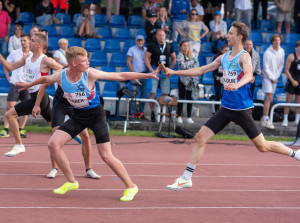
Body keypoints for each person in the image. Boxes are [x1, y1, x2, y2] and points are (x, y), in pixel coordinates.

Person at [158, 21, 300, 191]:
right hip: (225, 109)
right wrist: (174, 72)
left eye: (231, 33)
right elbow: (201, 70)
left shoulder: (244, 56)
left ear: (239, 37)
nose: (227, 35)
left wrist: (237, 85)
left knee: (263, 146)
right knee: (200, 138)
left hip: (241, 110)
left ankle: (295, 153)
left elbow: (248, 75)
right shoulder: (223, 57)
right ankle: (186, 177)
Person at [16, 46, 159, 200]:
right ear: (73, 64)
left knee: (106, 156)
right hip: (78, 116)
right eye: (84, 61)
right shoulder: (61, 75)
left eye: (87, 59)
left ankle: (131, 186)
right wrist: (28, 85)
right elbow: (45, 80)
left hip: (95, 116)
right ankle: (71, 181)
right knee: (53, 144)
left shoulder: (90, 74)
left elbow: (119, 75)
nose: (88, 62)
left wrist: (145, 75)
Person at [0, 33, 63, 157]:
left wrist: (49, 79)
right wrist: (1, 58)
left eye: (32, 41)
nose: (29, 42)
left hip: (39, 98)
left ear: (39, 45)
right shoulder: (28, 57)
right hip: (36, 97)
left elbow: (62, 69)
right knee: (57, 129)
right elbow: (10, 67)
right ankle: (76, 137)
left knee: (9, 114)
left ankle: (19, 145)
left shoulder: (45, 59)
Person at [0, 34, 31, 139]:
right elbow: (6, 63)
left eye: (24, 41)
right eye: (21, 41)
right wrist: (8, 76)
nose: (22, 42)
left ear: (29, 41)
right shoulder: (15, 53)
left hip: (27, 85)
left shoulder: (33, 54)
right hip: (16, 83)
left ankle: (21, 129)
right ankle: (6, 129)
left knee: (25, 108)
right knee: (10, 106)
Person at [144, 29, 176, 122]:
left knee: (165, 93)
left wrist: (170, 69)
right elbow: (146, 57)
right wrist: (151, 70)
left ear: (165, 36)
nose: (161, 37)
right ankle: (152, 113)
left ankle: (163, 112)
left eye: (162, 35)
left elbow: (174, 58)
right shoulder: (152, 44)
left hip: (164, 71)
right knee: (152, 92)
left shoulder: (169, 45)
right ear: (156, 36)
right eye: (159, 35)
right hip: (155, 69)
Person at [261, 34, 285, 129]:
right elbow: (265, 67)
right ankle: (265, 119)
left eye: (278, 40)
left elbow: (281, 65)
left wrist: (276, 77)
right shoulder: (267, 53)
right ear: (272, 41)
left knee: (270, 98)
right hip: (267, 77)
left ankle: (265, 117)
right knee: (269, 96)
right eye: (275, 40)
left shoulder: (282, 51)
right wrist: (272, 77)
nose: (277, 42)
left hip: (275, 77)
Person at [176, 40, 199, 124]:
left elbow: (197, 66)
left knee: (189, 98)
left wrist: (190, 64)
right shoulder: (179, 56)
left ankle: (189, 117)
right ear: (181, 47)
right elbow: (182, 66)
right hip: (182, 79)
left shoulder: (193, 55)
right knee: (181, 97)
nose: (186, 47)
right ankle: (179, 116)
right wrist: (192, 63)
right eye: (184, 46)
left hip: (191, 80)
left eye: (187, 46)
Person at [127, 35, 148, 117]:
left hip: (144, 74)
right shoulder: (131, 49)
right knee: (133, 94)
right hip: (135, 74)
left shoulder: (146, 50)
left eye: (141, 40)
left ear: (144, 41)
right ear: (135, 41)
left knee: (144, 94)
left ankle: (140, 113)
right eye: (138, 40)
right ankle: (132, 114)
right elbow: (128, 62)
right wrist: (133, 74)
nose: (140, 42)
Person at [282, 41, 300, 127]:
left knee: (298, 101)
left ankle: (297, 119)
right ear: (297, 47)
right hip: (292, 80)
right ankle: (285, 119)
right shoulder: (291, 56)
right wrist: (293, 81)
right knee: (288, 100)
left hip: (299, 82)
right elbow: (286, 70)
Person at [212, 44, 230, 112]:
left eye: (228, 50)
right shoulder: (217, 57)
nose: (227, 52)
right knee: (217, 95)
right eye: (225, 50)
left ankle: (226, 111)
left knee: (226, 96)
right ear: (222, 51)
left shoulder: (231, 58)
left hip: (227, 79)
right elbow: (214, 69)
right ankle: (217, 111)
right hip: (218, 78)